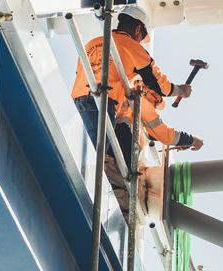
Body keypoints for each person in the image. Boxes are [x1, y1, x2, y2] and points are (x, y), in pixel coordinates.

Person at [71, 5, 203, 208]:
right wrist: (180, 91)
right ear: (138, 29)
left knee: (97, 150)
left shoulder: (93, 43)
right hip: (104, 101)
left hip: (81, 98)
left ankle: (106, 180)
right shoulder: (131, 49)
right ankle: (115, 189)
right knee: (107, 154)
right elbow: (159, 85)